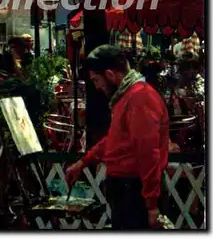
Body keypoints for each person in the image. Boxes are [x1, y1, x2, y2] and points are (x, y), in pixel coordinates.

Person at [66, 45, 169, 230]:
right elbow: (115, 140)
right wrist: (83, 163)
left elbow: (148, 154)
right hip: (127, 191)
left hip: (134, 193)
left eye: (97, 80)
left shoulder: (139, 98)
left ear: (110, 75)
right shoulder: (126, 96)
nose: (97, 87)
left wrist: (151, 204)